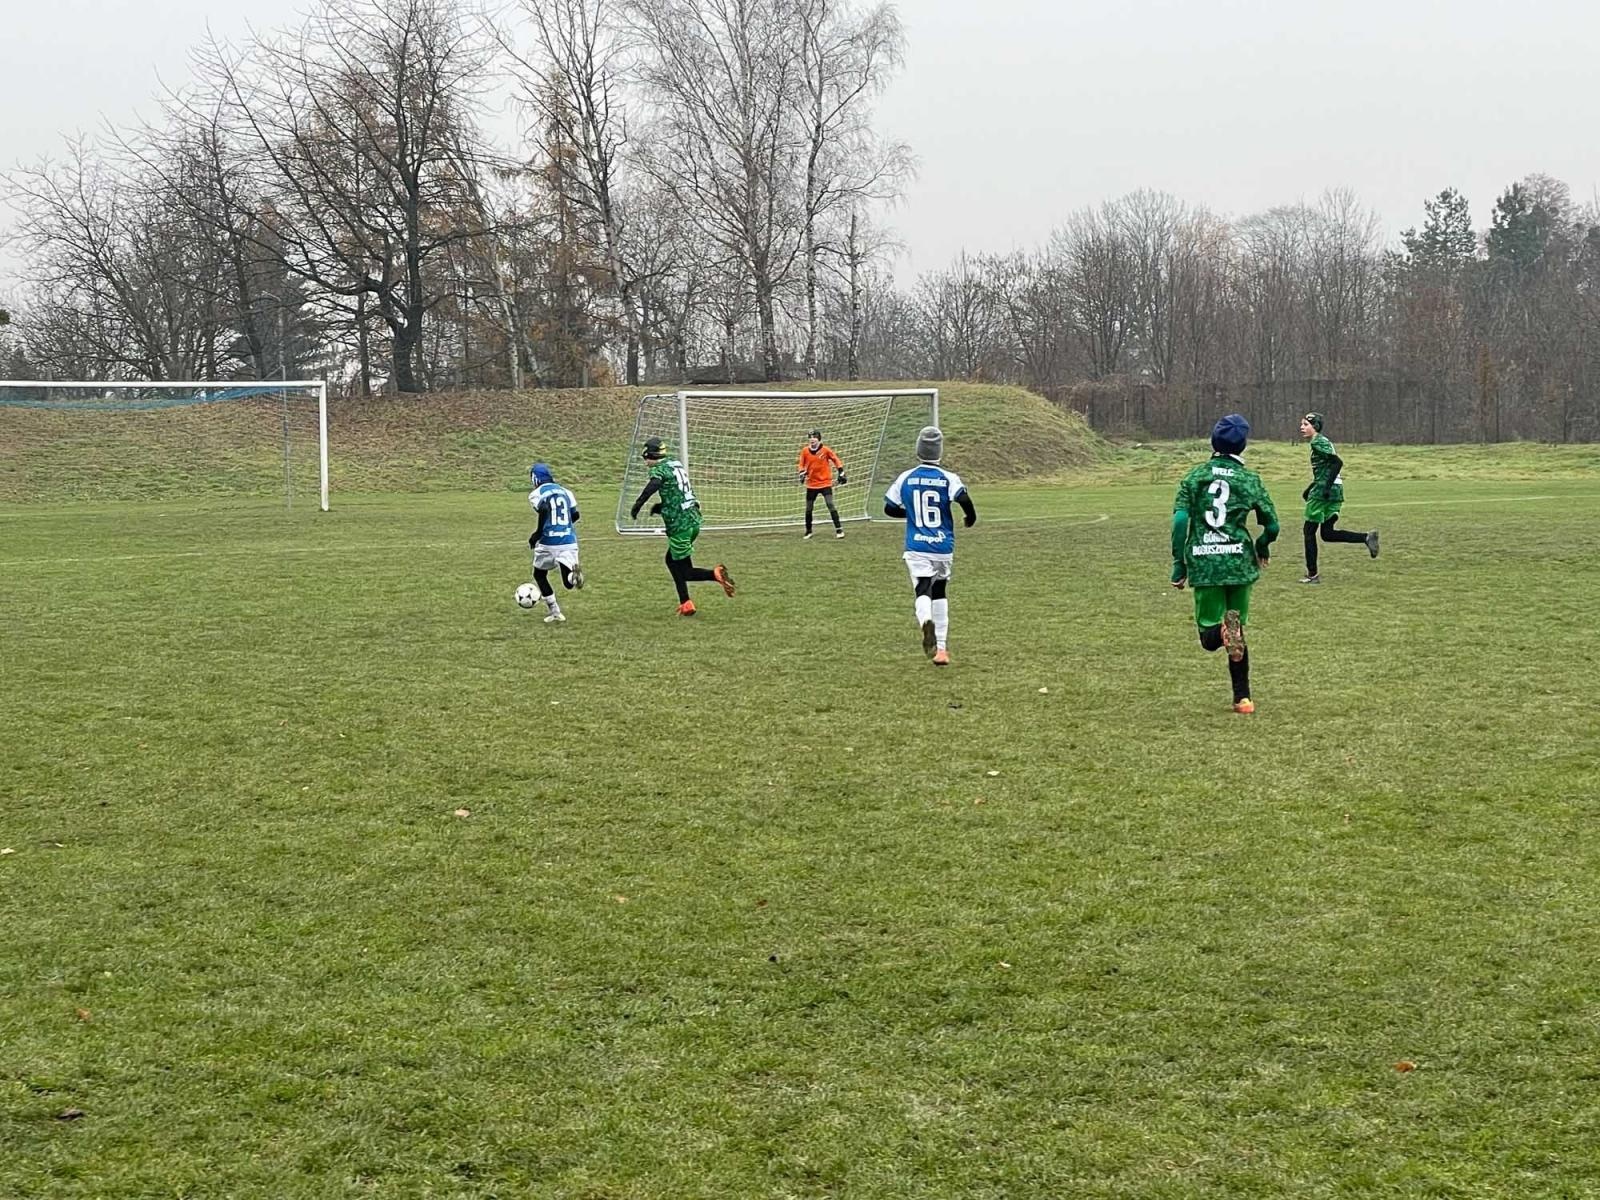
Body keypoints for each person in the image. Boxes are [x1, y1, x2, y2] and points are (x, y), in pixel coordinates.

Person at [1170, 414, 1279, 714]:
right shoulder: (1249, 479)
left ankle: (1221, 634)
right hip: (1240, 563)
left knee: (1210, 635)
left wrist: (1179, 564)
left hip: (1206, 564)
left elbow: (1180, 520)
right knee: (1237, 628)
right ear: (1243, 446)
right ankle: (1242, 698)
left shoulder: (1194, 477)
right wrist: (1262, 546)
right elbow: (1272, 525)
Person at [883, 426, 975, 666]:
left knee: (922, 588)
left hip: (916, 546)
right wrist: (969, 517)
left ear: (918, 451)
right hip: (943, 546)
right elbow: (964, 499)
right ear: (939, 452)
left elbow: (889, 507)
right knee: (940, 590)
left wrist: (910, 514)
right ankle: (942, 649)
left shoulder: (906, 477)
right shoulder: (948, 477)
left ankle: (926, 622)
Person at [628, 437, 735, 616]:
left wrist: (638, 504)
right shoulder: (674, 464)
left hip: (680, 526)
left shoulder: (659, 469)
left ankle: (714, 574)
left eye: (645, 455)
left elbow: (654, 485)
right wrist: (661, 507)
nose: (644, 459)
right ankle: (686, 603)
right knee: (671, 561)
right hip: (693, 519)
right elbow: (676, 491)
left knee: (685, 571)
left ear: (650, 454)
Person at [1298, 412, 1379, 584]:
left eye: (1306, 424)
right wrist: (1310, 488)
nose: (1302, 427)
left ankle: (1312, 576)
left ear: (1315, 427)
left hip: (1325, 491)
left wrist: (1324, 488)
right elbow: (1326, 470)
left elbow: (1337, 463)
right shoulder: (1323, 442)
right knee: (1327, 533)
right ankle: (1366, 537)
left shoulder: (1318, 442)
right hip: (1335, 490)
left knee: (1309, 532)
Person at [527, 462, 584, 624]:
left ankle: (555, 612)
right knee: (568, 583)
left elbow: (544, 509)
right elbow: (576, 515)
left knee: (539, 574)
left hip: (548, 541)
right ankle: (574, 576)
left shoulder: (536, 493)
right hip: (568, 540)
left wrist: (537, 533)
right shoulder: (566, 491)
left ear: (535, 479)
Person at [796, 429, 847, 539]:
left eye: (814, 437)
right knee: (808, 508)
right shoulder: (805, 451)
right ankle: (808, 531)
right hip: (811, 484)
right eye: (810, 437)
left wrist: (841, 472)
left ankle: (839, 530)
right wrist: (801, 473)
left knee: (830, 504)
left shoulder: (825, 450)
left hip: (825, 483)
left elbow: (836, 460)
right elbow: (801, 464)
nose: (812, 439)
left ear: (819, 439)